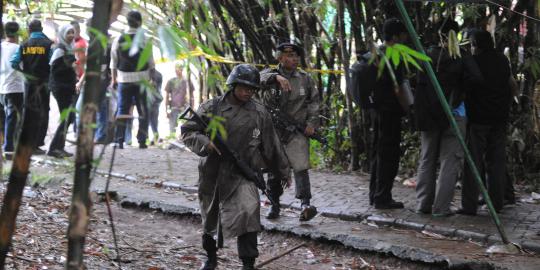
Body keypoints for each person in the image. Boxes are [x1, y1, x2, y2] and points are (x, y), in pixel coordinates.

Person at [181, 64, 290, 270]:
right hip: (213, 173)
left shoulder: (259, 112)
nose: (247, 92)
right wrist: (207, 143)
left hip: (243, 173)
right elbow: (188, 130)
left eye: (251, 89)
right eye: (243, 87)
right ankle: (211, 258)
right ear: (233, 85)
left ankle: (248, 262)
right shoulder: (212, 107)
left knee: (249, 212)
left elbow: (271, 144)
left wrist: (283, 171)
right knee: (210, 218)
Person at [458, 29, 518, 215]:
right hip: (499, 118)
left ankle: (469, 205)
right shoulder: (502, 60)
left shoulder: (473, 62)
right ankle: (496, 202)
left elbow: (465, 88)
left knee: (473, 161)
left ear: (476, 44)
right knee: (497, 161)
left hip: (478, 119)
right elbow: (512, 86)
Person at [259, 41, 319, 221]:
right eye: (290, 56)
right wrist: (276, 78)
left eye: (296, 56)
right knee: (274, 168)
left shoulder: (304, 78)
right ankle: (274, 204)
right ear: (280, 58)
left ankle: (305, 204)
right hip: (274, 131)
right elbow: (256, 79)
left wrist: (311, 123)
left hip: (296, 130)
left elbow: (314, 101)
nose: (294, 59)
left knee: (301, 166)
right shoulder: (269, 74)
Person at [414, 19, 468, 217]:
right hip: (453, 115)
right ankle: (441, 207)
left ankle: (422, 204)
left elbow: (418, 88)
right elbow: (475, 80)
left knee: (427, 158)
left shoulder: (425, 56)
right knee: (450, 161)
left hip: (429, 116)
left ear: (437, 34)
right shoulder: (460, 58)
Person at [368, 18, 408, 209]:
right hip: (390, 111)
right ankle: (382, 197)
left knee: (377, 152)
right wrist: (408, 108)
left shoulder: (376, 53)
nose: (406, 38)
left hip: (376, 110)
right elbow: (398, 87)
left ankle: (374, 194)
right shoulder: (394, 55)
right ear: (395, 36)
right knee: (388, 155)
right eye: (403, 34)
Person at [110, 10, 153, 149]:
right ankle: (142, 141)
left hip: (124, 79)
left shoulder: (118, 39)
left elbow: (113, 62)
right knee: (143, 110)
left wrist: (114, 79)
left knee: (122, 110)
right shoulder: (145, 39)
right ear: (139, 22)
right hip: (142, 79)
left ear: (127, 21)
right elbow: (151, 62)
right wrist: (150, 78)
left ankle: (119, 140)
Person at [11, 19, 53, 155]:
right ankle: (38, 143)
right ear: (41, 29)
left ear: (29, 30)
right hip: (44, 83)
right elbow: (52, 63)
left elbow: (14, 63)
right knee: (44, 111)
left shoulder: (24, 44)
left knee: (28, 112)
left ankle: (26, 143)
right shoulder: (48, 44)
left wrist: (25, 74)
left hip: (29, 84)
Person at [47, 24, 77, 158]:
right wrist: (69, 65)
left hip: (68, 87)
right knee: (68, 117)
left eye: (72, 32)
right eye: (68, 33)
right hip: (61, 88)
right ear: (63, 35)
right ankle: (54, 148)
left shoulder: (70, 48)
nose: (71, 35)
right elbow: (54, 70)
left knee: (69, 117)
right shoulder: (60, 49)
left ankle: (60, 147)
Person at [0, 21, 24, 160]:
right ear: (17, 33)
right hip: (14, 88)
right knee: (12, 119)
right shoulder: (19, 48)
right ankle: (9, 149)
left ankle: (5, 146)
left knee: (4, 119)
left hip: (1, 88)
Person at [165, 64, 193, 136]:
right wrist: (167, 110)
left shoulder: (187, 81)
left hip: (185, 107)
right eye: (176, 69)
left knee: (186, 128)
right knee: (172, 129)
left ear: (182, 69)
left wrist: (192, 109)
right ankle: (173, 142)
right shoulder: (171, 81)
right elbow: (167, 96)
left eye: (179, 69)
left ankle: (184, 142)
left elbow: (192, 96)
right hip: (174, 108)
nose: (177, 71)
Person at [148, 68, 162, 144]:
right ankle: (154, 136)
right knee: (154, 120)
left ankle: (154, 136)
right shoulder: (159, 74)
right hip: (155, 100)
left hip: (152, 100)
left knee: (151, 120)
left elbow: (156, 86)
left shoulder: (157, 75)